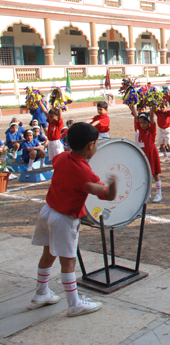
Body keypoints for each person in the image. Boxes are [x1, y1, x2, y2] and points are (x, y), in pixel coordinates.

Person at [30, 122, 116, 316]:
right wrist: (114, 184)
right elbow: (106, 194)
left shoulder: (60, 157)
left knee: (48, 254)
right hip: (64, 219)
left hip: (48, 211)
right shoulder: (85, 173)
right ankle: (74, 304)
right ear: (90, 145)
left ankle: (41, 292)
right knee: (68, 262)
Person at [130, 105, 162, 202]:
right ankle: (147, 193)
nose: (142, 125)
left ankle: (159, 194)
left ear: (149, 123)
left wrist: (152, 106)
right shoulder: (140, 130)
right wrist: (131, 105)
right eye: (141, 123)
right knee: (145, 175)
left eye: (144, 123)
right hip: (143, 154)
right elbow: (136, 116)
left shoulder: (151, 130)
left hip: (151, 153)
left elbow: (152, 117)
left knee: (155, 174)